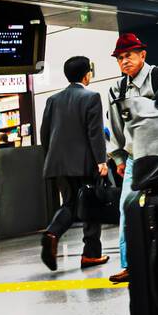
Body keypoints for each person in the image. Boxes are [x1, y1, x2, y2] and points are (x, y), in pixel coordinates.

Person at [106, 32, 158, 284]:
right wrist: (118, 159)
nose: (124, 61)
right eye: (120, 58)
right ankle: (129, 265)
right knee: (127, 207)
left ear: (142, 55)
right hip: (135, 158)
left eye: (129, 55)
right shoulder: (116, 89)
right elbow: (116, 126)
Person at [39, 56, 110, 271]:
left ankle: (52, 233)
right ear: (87, 74)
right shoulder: (91, 97)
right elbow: (95, 133)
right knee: (91, 205)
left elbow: (45, 133)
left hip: (58, 163)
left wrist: (53, 156)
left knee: (70, 202)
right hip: (84, 163)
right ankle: (90, 254)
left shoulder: (53, 99)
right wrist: (101, 160)